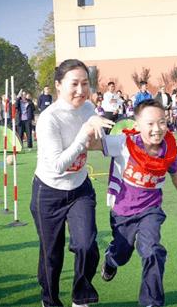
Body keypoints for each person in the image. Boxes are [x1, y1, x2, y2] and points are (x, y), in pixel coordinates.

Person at [98, 99, 177, 307]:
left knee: (152, 250)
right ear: (137, 125)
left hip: (151, 210)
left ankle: (151, 302)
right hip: (123, 212)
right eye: (150, 124)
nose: (157, 129)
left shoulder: (169, 151)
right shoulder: (122, 143)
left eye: (162, 122)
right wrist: (91, 127)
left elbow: (176, 176)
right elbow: (93, 144)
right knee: (122, 252)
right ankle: (111, 260)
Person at [31, 59, 114, 307]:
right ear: (58, 85)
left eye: (85, 84)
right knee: (51, 256)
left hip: (80, 190)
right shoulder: (49, 119)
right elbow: (58, 164)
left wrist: (132, 142)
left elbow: (98, 143)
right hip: (48, 192)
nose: (81, 90)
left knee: (87, 244)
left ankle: (81, 296)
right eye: (74, 84)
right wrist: (85, 133)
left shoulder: (88, 108)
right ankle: (50, 300)